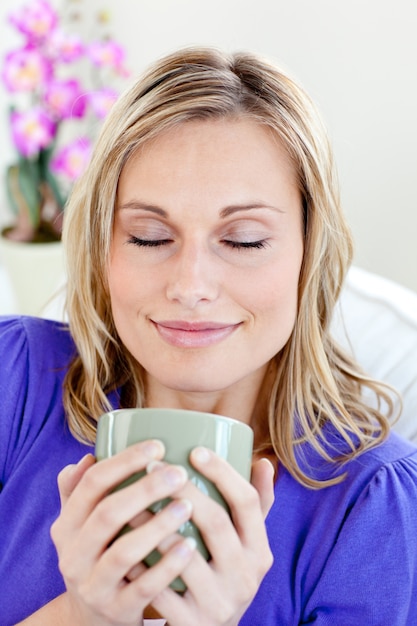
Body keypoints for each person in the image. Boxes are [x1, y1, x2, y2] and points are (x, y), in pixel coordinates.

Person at [0, 46, 416, 626]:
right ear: (102, 251)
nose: (191, 285)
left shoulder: (378, 511)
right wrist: (82, 615)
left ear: (308, 254)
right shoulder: (13, 381)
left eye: (244, 240)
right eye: (148, 236)